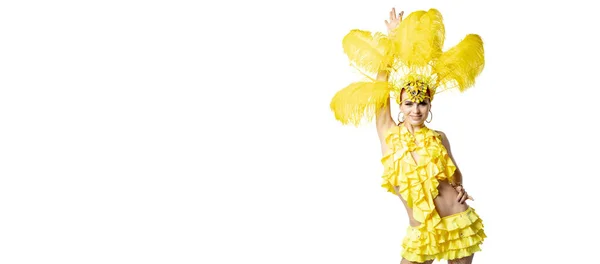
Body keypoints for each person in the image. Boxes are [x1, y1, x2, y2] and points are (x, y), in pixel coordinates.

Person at [330, 7, 487, 264]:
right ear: (400, 105)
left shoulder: (439, 137)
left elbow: (455, 173)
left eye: (422, 103)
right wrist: (393, 41)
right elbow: (380, 88)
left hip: (458, 221)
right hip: (422, 230)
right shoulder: (389, 132)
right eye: (409, 104)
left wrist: (459, 187)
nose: (416, 110)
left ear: (429, 105)